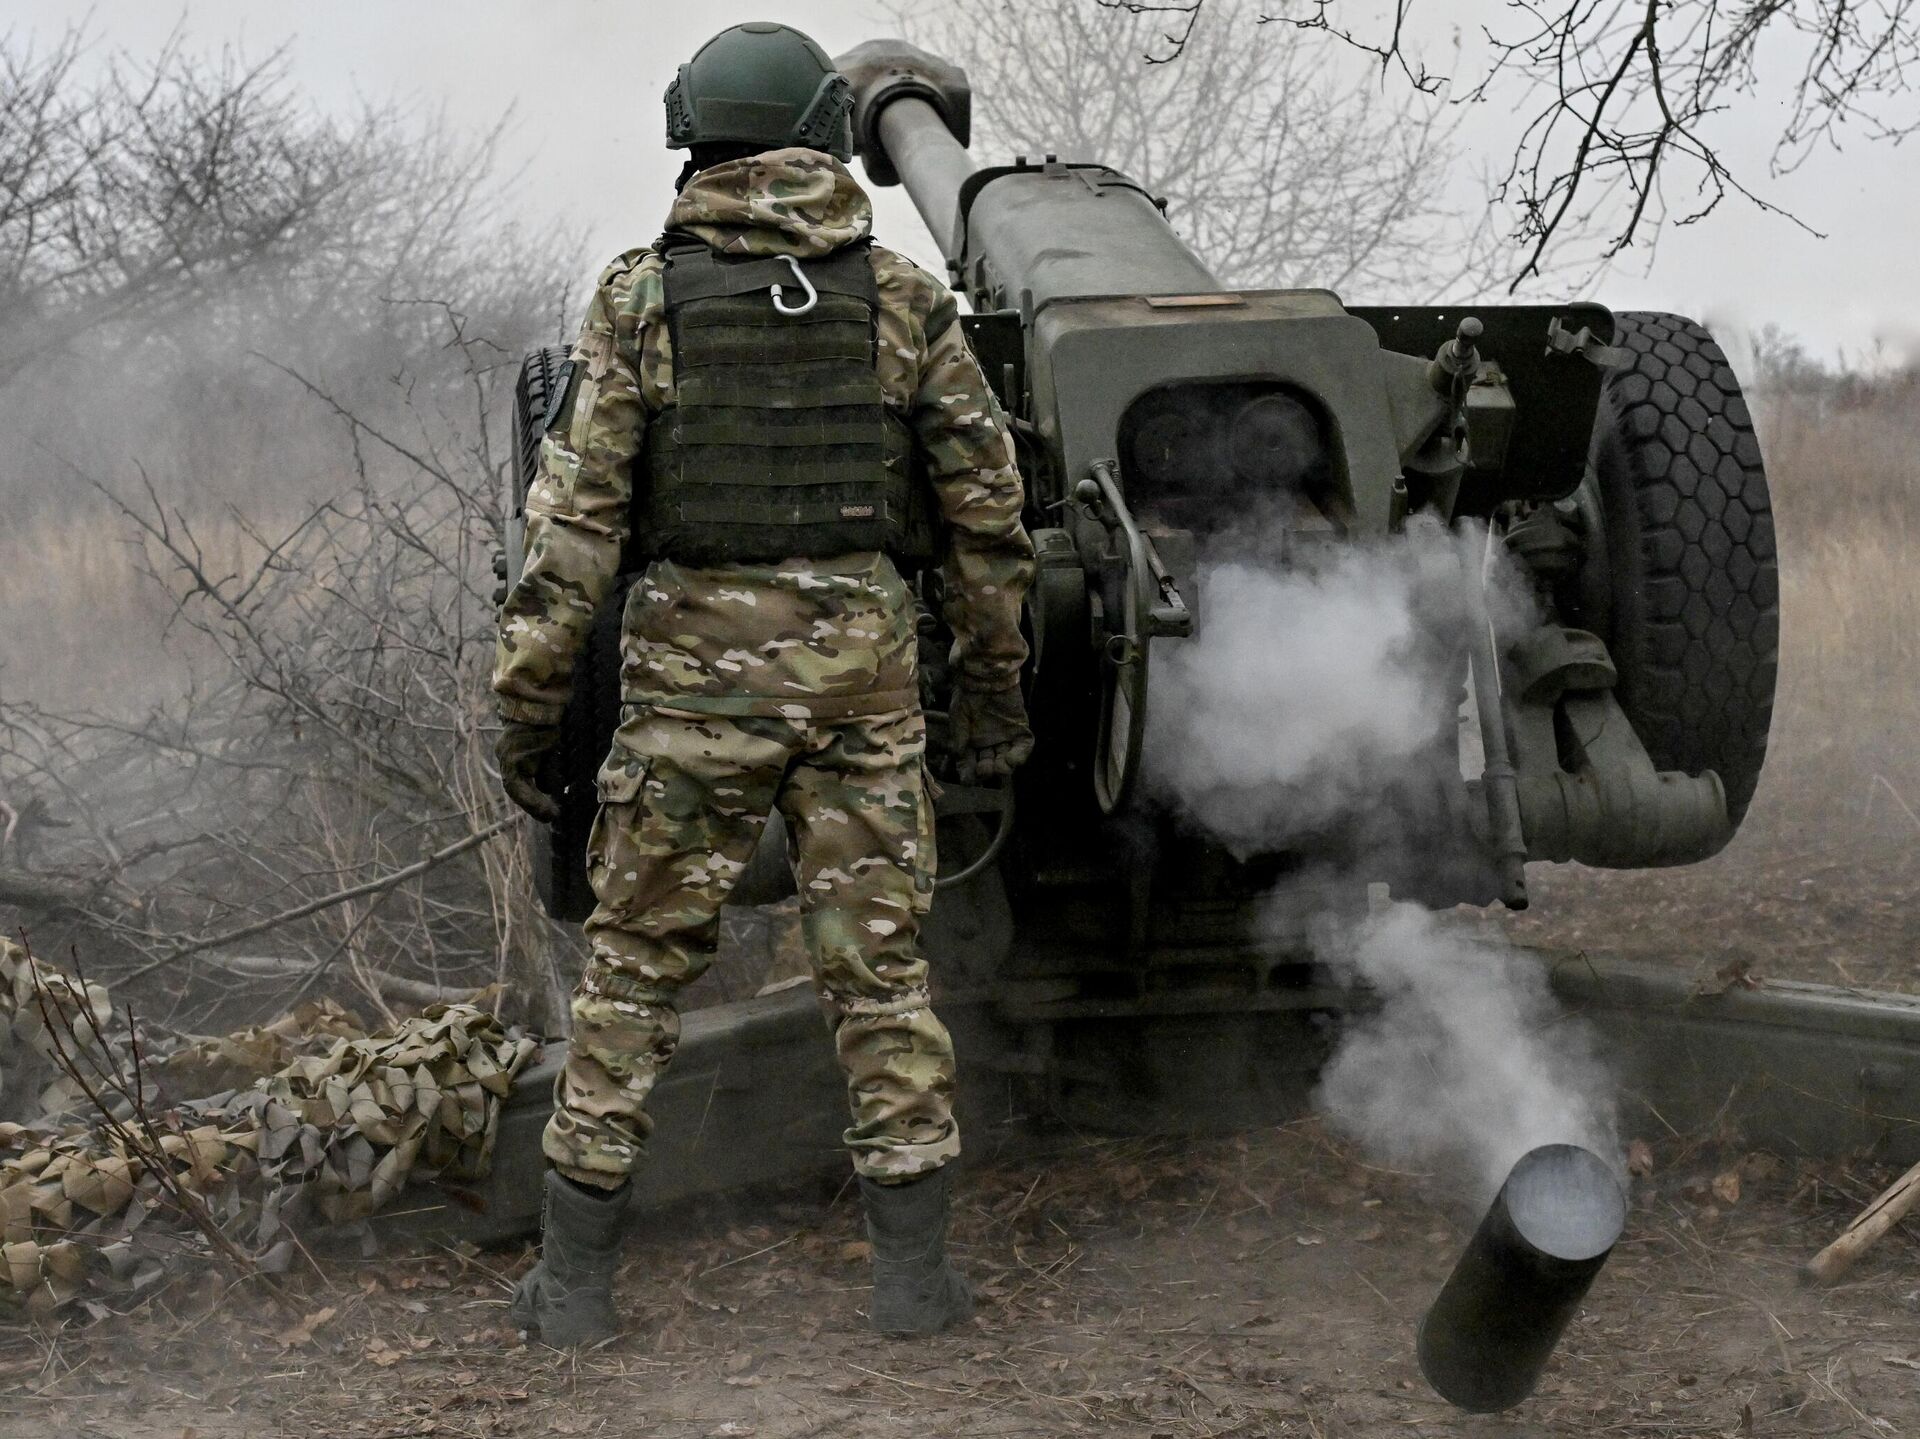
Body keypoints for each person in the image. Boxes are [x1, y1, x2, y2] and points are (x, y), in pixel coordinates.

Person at [491, 21, 1035, 1347]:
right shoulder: (902, 299)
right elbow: (988, 523)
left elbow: (570, 537)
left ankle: (575, 1294)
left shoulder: (640, 299)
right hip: (863, 697)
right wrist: (993, 701)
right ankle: (913, 1286)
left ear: (695, 142)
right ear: (828, 140)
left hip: (688, 699)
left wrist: (530, 715)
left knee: (632, 978)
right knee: (882, 983)